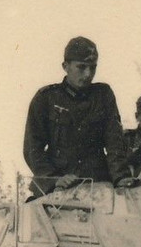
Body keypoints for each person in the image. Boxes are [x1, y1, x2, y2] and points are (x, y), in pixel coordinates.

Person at [23, 36, 133, 194]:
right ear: (65, 66)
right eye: (81, 67)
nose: (88, 74)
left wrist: (120, 177)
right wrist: (53, 179)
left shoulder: (103, 95)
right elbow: (32, 148)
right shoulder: (46, 98)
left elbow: (114, 141)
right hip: (58, 186)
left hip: (98, 185)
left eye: (93, 67)